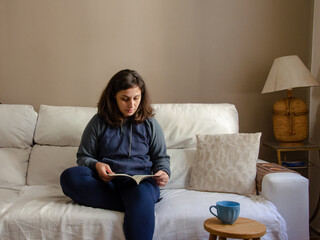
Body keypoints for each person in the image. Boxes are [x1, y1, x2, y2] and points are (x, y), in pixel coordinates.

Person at [60, 69, 170, 240]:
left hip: (140, 183)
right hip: (108, 182)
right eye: (125, 99)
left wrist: (164, 172)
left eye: (136, 98)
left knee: (140, 195)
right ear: (113, 97)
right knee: (69, 177)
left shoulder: (150, 123)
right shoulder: (98, 122)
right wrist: (96, 165)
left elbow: (161, 158)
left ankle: (139, 203)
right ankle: (137, 206)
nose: (131, 105)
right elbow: (83, 156)